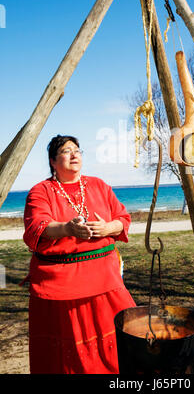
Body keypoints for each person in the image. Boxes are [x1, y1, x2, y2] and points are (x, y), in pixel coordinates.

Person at [23, 134, 136, 374]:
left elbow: (123, 219)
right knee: (69, 355)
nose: (74, 154)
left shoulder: (98, 185)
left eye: (77, 149)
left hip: (106, 280)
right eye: (66, 151)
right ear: (53, 161)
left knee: (124, 338)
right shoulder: (41, 191)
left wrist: (108, 227)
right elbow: (38, 226)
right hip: (61, 287)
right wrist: (67, 228)